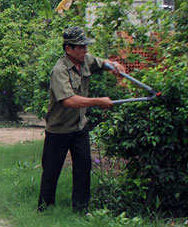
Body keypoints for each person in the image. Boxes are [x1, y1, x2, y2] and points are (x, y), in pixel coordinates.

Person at [37, 26, 126, 212]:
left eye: (86, 46)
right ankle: (45, 209)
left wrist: (113, 65)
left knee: (84, 168)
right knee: (51, 172)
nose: (85, 50)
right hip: (59, 129)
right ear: (68, 49)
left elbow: (100, 63)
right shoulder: (59, 71)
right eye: (80, 47)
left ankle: (81, 209)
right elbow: (69, 101)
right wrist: (98, 102)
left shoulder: (85, 60)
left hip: (79, 127)